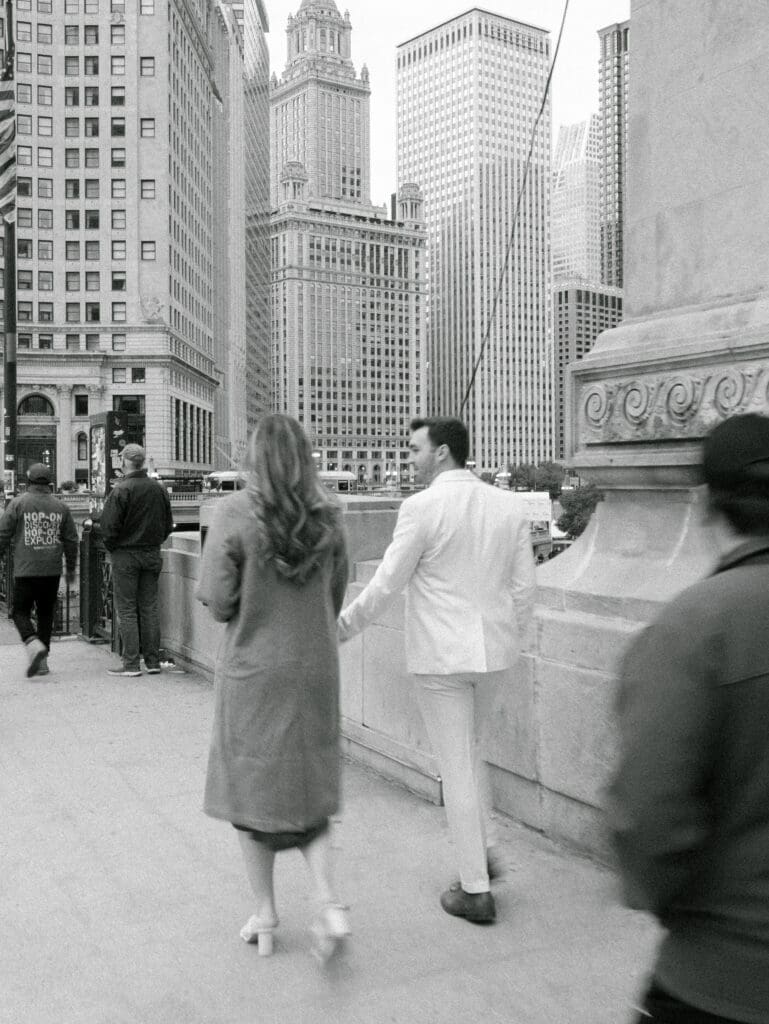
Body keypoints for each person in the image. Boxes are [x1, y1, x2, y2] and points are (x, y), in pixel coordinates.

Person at [338, 416, 536, 924]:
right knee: (471, 757)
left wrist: (339, 630)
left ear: (442, 452)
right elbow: (524, 590)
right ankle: (483, 852)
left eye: (416, 449)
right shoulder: (509, 507)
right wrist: (510, 638)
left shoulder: (420, 508)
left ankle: (475, 890)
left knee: (457, 767)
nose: (411, 457)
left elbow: (385, 584)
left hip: (441, 660)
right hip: (494, 655)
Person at [608, 412, 769, 1024]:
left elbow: (647, 816)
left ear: (704, 502)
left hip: (719, 977)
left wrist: (664, 897)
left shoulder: (691, 629)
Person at [197, 414, 350, 960]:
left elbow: (217, 601)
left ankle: (265, 913)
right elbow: (335, 596)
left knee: (251, 789)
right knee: (311, 787)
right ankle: (328, 903)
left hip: (254, 673)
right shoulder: (329, 517)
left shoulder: (233, 512)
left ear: (254, 458)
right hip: (314, 668)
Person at [99, 443, 173, 677]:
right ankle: (152, 662)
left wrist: (115, 548)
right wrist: (154, 542)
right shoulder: (158, 489)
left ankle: (131, 663)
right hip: (151, 553)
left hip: (126, 555)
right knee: (149, 607)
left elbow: (108, 528)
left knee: (127, 609)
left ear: (124, 462)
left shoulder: (121, 490)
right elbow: (167, 523)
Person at [0, 463, 78, 678]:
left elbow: (3, 535)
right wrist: (70, 567)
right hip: (51, 568)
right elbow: (72, 540)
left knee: (19, 611)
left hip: (25, 567)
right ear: (50, 483)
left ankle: (32, 643)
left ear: (28, 483)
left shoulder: (18, 503)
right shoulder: (61, 507)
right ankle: (43, 661)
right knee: (45, 613)